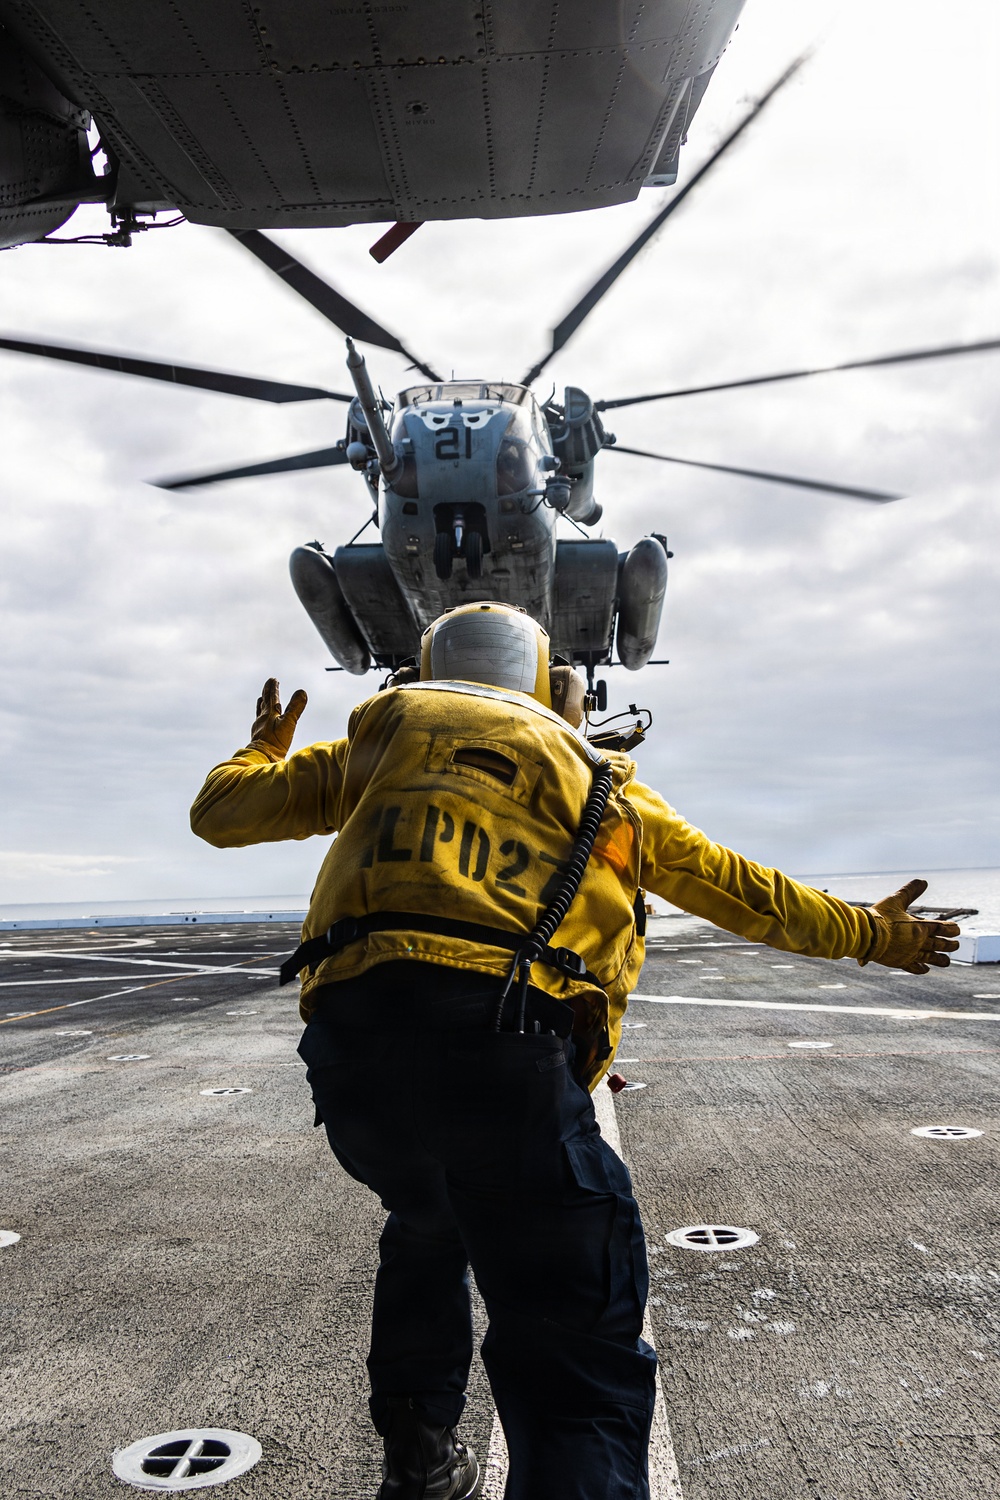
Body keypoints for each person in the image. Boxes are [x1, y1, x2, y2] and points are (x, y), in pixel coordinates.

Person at [190, 601, 960, 1500]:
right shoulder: (600, 784)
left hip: (355, 1071)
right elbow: (748, 892)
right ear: (552, 684)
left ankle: (420, 1458)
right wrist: (876, 934)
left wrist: (262, 751)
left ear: (426, 672)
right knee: (577, 1354)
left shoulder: (380, 741)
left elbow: (220, 814)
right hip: (507, 1066)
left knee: (427, 1221)